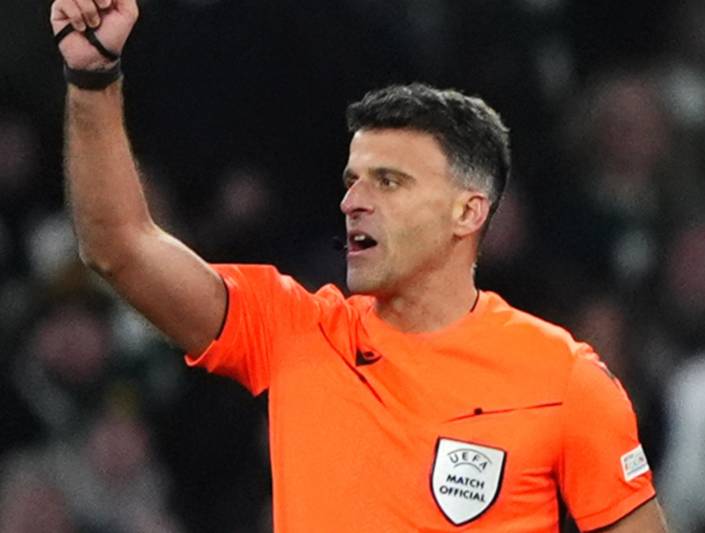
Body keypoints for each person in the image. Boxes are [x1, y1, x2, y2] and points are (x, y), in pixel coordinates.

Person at [50, 0, 668, 530]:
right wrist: (93, 77)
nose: (353, 203)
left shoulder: (563, 380)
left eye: (389, 182)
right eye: (352, 182)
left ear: (466, 212)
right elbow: (119, 247)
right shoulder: (296, 334)